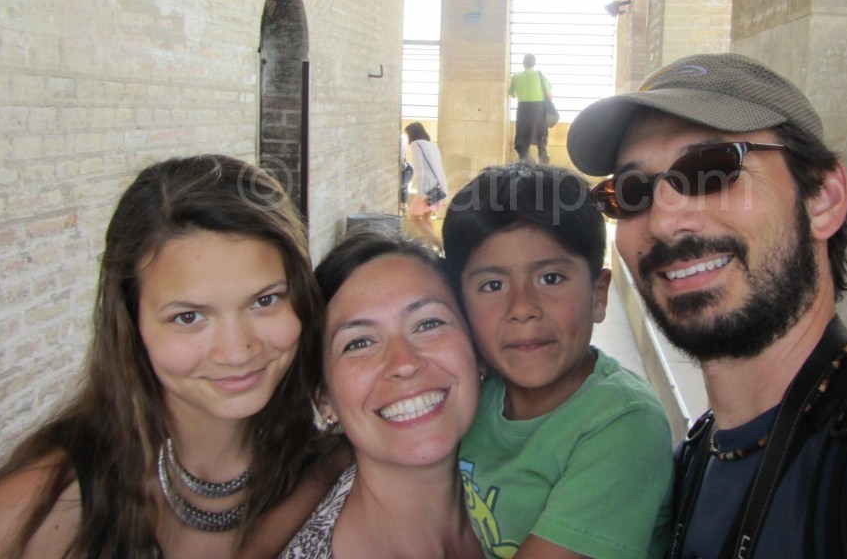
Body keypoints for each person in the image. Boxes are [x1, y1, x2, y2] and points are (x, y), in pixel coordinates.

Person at [565, 52, 847, 558]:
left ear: (822, 198)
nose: (664, 221)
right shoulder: (697, 458)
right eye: (632, 192)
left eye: (711, 169)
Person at [0, 154, 343, 558]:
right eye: (188, 316)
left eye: (265, 300)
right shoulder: (33, 514)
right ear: (131, 324)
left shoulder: (334, 476)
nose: (237, 349)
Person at [443, 162, 674, 559]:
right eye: (492, 285)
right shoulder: (473, 396)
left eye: (550, 278)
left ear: (598, 295)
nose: (523, 308)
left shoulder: (622, 424)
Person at [278, 226, 483, 559]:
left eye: (428, 323)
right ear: (323, 398)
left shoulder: (549, 495)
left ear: (477, 354)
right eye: (358, 343)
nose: (403, 363)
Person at [404, 121, 449, 251]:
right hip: (437, 187)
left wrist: (422, 193)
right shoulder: (432, 146)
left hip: (426, 188)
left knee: (413, 217)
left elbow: (419, 169)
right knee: (426, 217)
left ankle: (438, 242)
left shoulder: (416, 145)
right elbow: (439, 168)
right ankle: (430, 247)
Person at [509, 54, 552, 164]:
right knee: (541, 138)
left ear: (523, 63)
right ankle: (543, 165)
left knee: (522, 137)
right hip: (538, 109)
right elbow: (550, 95)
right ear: (534, 63)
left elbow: (512, 95)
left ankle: (523, 164)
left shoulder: (515, 77)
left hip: (522, 109)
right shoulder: (540, 75)